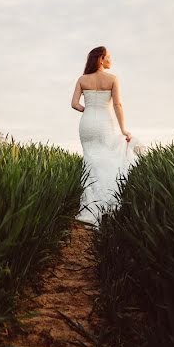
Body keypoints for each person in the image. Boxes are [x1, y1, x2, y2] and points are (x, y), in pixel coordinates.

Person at [70, 46, 147, 228]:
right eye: (109, 57)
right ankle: (107, 204)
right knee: (107, 159)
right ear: (101, 58)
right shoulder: (112, 79)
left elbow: (74, 104)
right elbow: (117, 105)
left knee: (91, 161)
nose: (111, 60)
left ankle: (90, 208)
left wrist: (88, 110)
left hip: (87, 124)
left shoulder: (82, 79)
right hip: (105, 123)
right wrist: (124, 130)